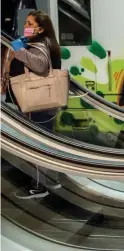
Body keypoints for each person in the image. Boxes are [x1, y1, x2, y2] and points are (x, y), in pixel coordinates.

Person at [8, 10, 62, 199]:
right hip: (45, 101)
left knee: (36, 145)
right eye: (26, 23)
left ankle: (39, 186)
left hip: (36, 101)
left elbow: (40, 66)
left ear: (40, 28)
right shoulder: (47, 43)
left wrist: (20, 51)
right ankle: (50, 180)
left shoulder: (39, 45)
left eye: (30, 24)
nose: (26, 27)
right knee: (47, 143)